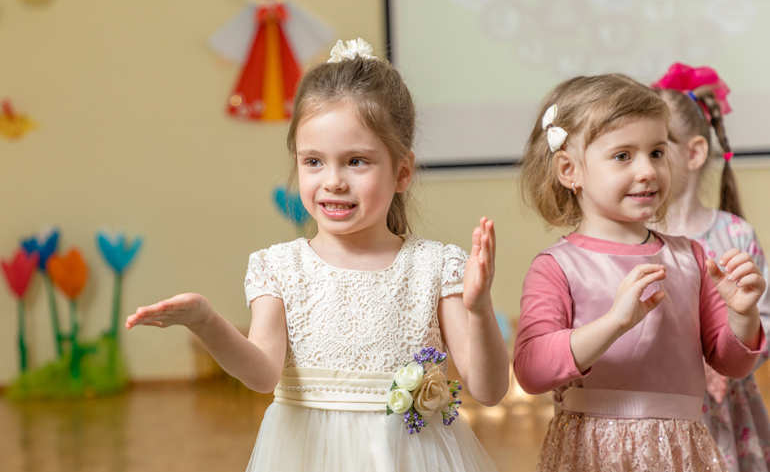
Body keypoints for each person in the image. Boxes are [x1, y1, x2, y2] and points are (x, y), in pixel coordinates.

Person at [126, 38, 509, 472]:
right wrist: (205, 321)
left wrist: (479, 310)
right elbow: (261, 375)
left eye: (356, 161)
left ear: (402, 171)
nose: (333, 181)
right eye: (313, 162)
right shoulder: (279, 268)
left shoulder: (435, 267)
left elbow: (490, 390)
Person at [512, 73, 767, 471]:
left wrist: (743, 314)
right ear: (569, 170)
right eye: (623, 156)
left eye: (657, 152)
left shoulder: (690, 257)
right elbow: (530, 369)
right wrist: (614, 322)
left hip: (681, 454)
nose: (647, 170)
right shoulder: (556, 266)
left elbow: (731, 364)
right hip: (594, 455)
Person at [652, 62, 770, 471]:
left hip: (720, 416)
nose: (644, 164)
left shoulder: (735, 235)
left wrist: (721, 357)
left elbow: (763, 323)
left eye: (657, 148)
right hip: (654, 416)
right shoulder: (635, 238)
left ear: (694, 152)